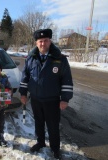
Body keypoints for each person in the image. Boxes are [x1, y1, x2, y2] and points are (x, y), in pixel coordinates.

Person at [19, 29, 73, 159]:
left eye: (45, 41)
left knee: (53, 125)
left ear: (50, 41)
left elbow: (66, 80)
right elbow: (25, 76)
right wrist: (23, 93)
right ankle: (40, 142)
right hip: (36, 99)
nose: (43, 43)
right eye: (40, 41)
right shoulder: (31, 58)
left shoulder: (59, 59)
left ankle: (55, 148)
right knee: (38, 123)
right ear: (36, 43)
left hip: (52, 100)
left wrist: (65, 99)